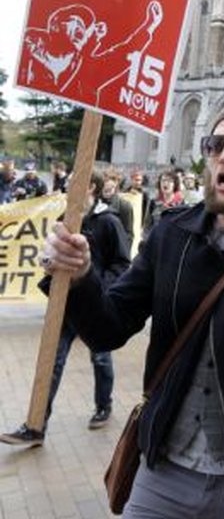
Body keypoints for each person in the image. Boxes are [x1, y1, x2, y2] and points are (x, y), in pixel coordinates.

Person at [33, 103, 224, 518]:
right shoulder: (171, 233)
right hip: (163, 469)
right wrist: (79, 276)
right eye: (214, 144)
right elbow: (108, 328)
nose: (223, 155)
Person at [0, 171, 131, 447]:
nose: (67, 189)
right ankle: (36, 425)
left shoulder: (109, 222)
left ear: (90, 187)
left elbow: (121, 264)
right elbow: (56, 259)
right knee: (52, 363)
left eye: (74, 185)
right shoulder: (64, 221)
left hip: (97, 309)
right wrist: (49, 267)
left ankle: (103, 406)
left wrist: (99, 292)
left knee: (100, 358)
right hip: (65, 307)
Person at [101, 170, 135, 247]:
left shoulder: (124, 206)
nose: (107, 192)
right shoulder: (96, 203)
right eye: (105, 189)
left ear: (116, 186)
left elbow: (128, 234)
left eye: (110, 189)